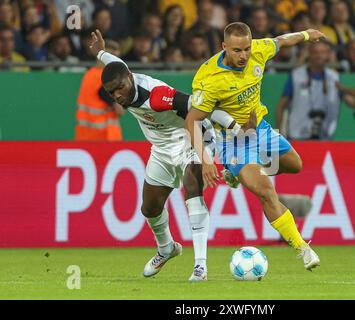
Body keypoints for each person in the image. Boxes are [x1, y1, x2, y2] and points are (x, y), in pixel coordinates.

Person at [88, 29, 251, 281]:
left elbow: (201, 109)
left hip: (190, 139)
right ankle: (166, 248)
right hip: (162, 149)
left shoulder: (156, 97)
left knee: (191, 191)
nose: (118, 95)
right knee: (149, 208)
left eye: (120, 88)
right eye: (112, 93)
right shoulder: (120, 75)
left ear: (130, 78)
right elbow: (112, 61)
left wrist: (235, 129)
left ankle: (200, 266)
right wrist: (99, 51)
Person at [182, 23, 325, 271]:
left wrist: (306, 35)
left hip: (260, 129)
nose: (244, 56)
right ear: (224, 47)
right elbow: (191, 120)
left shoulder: (258, 50)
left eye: (247, 48)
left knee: (295, 165)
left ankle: (237, 174)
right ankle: (303, 248)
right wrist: (206, 159)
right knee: (266, 192)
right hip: (232, 142)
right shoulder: (210, 79)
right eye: (237, 50)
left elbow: (281, 40)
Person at [276, 40, 341, 140]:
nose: (319, 56)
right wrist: (280, 133)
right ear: (309, 54)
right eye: (316, 52)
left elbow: (352, 101)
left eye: (323, 52)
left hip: (324, 137)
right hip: (297, 136)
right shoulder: (297, 75)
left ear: (328, 55)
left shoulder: (333, 77)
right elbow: (281, 106)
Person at [75, 39, 124, 141]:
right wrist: (116, 105)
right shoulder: (104, 76)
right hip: (103, 134)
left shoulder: (90, 74)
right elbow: (104, 93)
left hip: (87, 134)